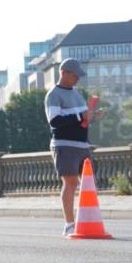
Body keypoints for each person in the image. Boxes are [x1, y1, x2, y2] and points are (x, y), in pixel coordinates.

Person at [45, 58, 102, 236]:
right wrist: (81, 117)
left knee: (89, 184)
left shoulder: (77, 93)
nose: (78, 78)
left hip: (82, 145)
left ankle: (86, 220)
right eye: (75, 75)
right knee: (70, 183)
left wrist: (93, 117)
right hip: (64, 145)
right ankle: (69, 224)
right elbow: (55, 122)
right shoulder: (53, 94)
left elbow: (81, 120)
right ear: (64, 73)